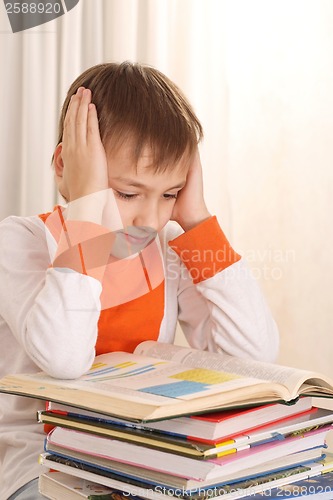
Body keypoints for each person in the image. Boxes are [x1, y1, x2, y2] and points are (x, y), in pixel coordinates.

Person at [0, 61, 279, 499]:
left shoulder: (166, 247)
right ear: (64, 166)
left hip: (149, 457)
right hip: (44, 463)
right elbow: (64, 359)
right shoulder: (20, 241)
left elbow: (253, 355)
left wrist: (197, 220)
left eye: (169, 194)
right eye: (127, 193)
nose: (150, 219)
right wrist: (87, 213)